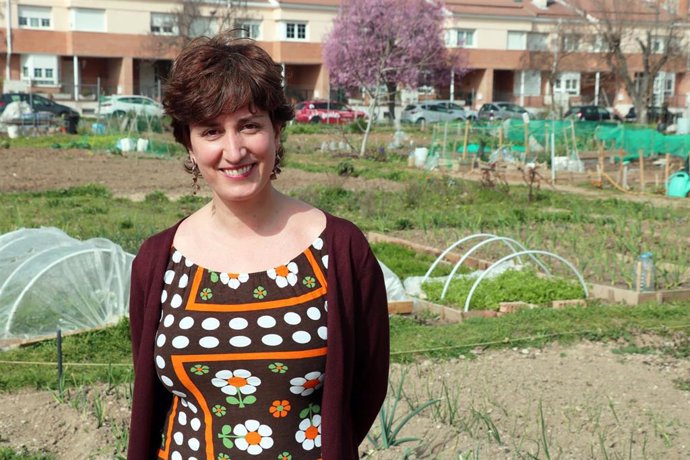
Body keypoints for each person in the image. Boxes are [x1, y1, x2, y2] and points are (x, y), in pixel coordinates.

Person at [127, 31, 390, 460]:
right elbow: (153, 394)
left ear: (277, 128)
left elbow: (366, 386)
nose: (234, 150)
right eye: (211, 130)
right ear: (188, 144)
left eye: (249, 125)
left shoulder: (341, 250)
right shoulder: (159, 260)